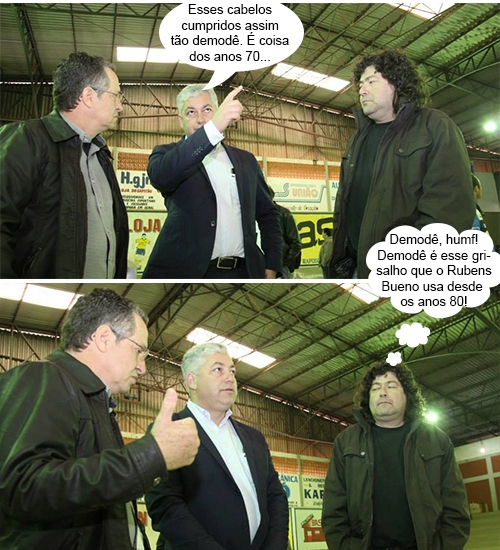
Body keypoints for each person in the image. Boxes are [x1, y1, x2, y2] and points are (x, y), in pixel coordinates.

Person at [0, 289, 200, 550]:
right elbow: (24, 487)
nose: (143, 367)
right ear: (104, 338)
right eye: (139, 351)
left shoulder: (96, 404)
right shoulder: (43, 378)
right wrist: (152, 456)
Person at [329, 49, 475, 279]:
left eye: (371, 81)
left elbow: (448, 208)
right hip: (357, 269)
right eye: (360, 85)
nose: (362, 90)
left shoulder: (433, 126)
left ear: (397, 83)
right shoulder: (358, 139)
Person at [145, 342, 289, 550]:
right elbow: (164, 505)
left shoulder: (254, 438)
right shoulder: (169, 430)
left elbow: (275, 495)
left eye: (232, 371)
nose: (230, 378)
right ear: (192, 380)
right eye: (218, 369)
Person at [0, 52, 129, 279]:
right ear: (89, 96)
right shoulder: (27, 140)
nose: (120, 106)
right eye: (116, 96)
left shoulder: (100, 155)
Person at [322, 363, 470, 550]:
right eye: (375, 388)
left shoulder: (437, 440)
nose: (382, 393)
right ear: (368, 398)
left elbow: (456, 509)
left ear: (407, 395)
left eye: (391, 386)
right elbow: (333, 509)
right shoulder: (346, 442)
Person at [142, 84, 282, 279]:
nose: (200, 119)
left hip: (245, 272)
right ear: (180, 120)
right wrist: (212, 129)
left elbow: (268, 214)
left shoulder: (246, 160)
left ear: (218, 112)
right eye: (191, 112)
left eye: (207, 110)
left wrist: (272, 265)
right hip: (187, 275)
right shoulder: (166, 155)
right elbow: (161, 177)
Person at [268, 186, 302, 278]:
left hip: (282, 268)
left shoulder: (284, 213)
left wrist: (283, 264)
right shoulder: (254, 214)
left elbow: (296, 244)